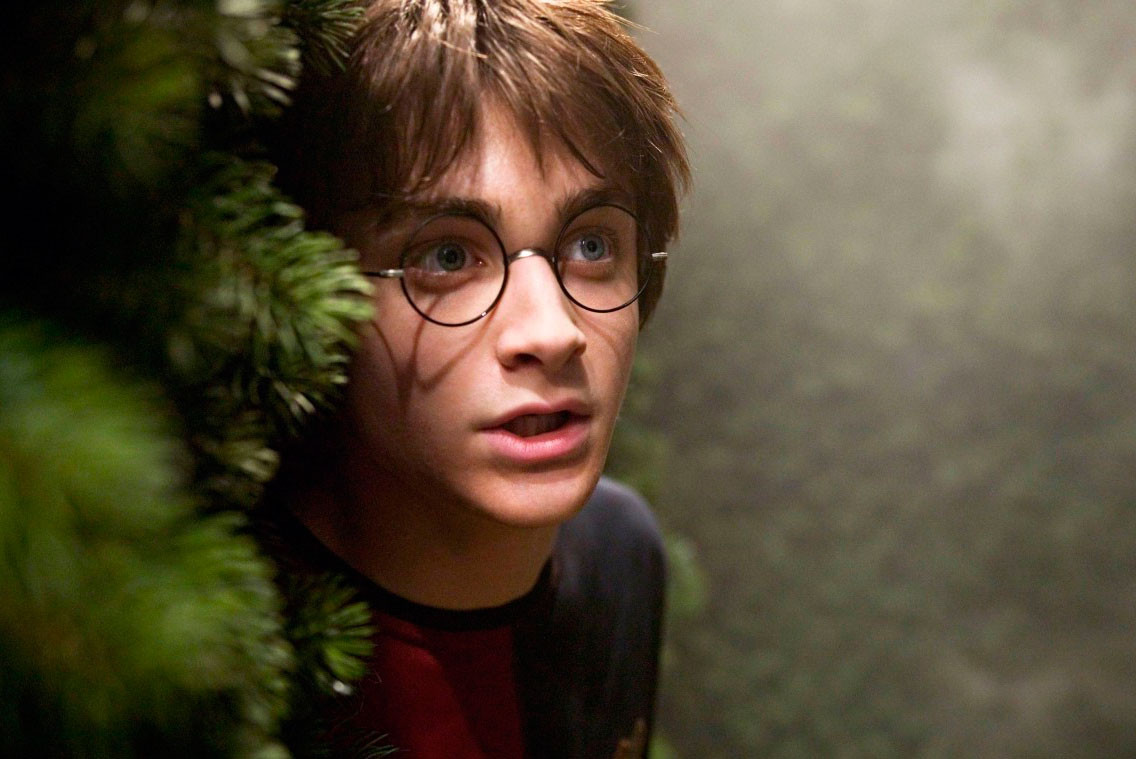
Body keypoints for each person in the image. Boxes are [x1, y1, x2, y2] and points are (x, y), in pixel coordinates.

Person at [265, 0, 689, 756]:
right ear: (319, 292)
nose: (551, 331)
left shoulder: (620, 557)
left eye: (592, 245)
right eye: (448, 257)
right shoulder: (224, 640)